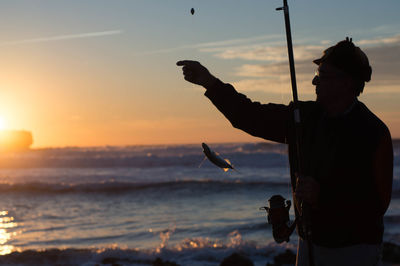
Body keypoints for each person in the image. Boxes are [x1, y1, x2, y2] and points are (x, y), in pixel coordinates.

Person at [177, 38, 393, 266]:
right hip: (309, 243)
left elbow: (378, 204)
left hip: (355, 250)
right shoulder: (303, 118)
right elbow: (250, 116)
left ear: (347, 82)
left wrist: (324, 197)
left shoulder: (374, 132)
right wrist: (210, 83)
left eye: (324, 76)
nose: (314, 81)